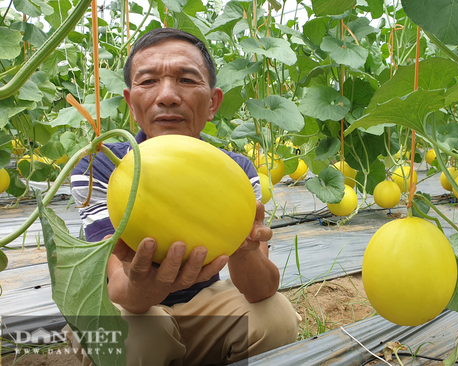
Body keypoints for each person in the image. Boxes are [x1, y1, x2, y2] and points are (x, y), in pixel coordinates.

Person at [66, 28, 300, 365]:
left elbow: (261, 289)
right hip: (129, 312)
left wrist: (246, 251)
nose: (167, 96)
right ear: (132, 103)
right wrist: (144, 284)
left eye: (187, 80)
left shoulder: (235, 168)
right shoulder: (100, 166)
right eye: (148, 82)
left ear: (213, 102)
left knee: (274, 317)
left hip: (205, 307)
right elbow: (120, 289)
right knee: (139, 338)